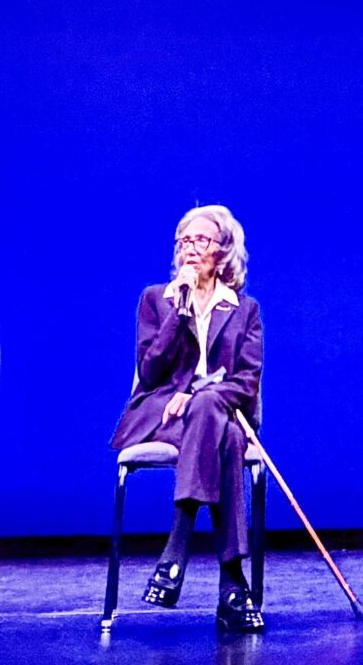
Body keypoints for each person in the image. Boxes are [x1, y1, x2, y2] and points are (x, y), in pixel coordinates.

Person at [110, 204, 266, 632]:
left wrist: (199, 395)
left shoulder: (243, 308)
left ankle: (175, 554)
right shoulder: (155, 299)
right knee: (222, 436)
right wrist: (178, 313)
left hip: (215, 412)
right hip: (160, 413)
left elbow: (246, 380)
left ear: (224, 251)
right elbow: (151, 370)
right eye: (184, 241)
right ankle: (233, 584)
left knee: (219, 425)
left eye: (201, 240)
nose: (190, 249)